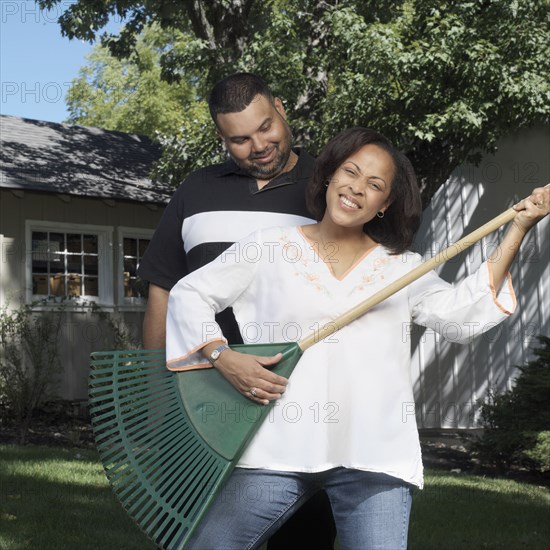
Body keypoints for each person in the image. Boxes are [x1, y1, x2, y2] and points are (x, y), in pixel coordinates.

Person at [165, 127, 549, 549]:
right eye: (351, 171)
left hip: (373, 454)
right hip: (275, 446)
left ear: (384, 205)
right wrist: (222, 355)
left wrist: (519, 228)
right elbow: (190, 293)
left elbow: (461, 315)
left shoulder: (403, 269)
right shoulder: (268, 249)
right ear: (330, 176)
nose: (357, 188)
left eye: (375, 184)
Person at [137, 73, 337, 548]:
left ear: (282, 108)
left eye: (265, 127)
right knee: (197, 534)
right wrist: (155, 395)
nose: (258, 146)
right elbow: (163, 292)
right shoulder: (196, 191)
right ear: (221, 138)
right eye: (239, 139)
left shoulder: (330, 190)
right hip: (202, 398)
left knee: (300, 540)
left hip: (298, 402)